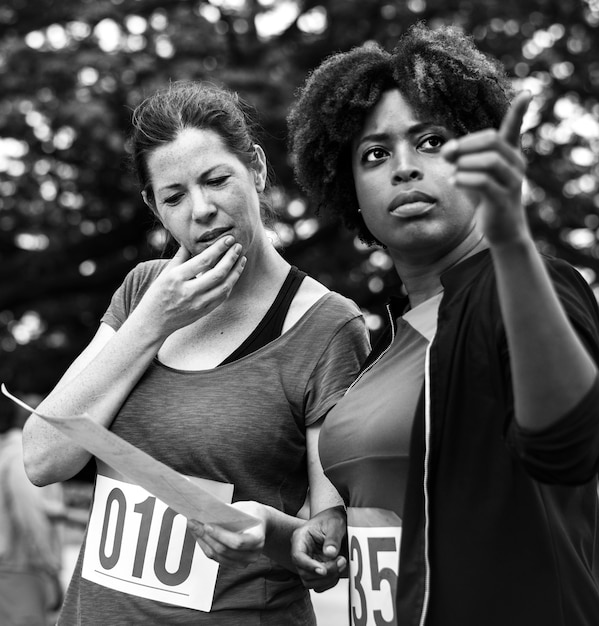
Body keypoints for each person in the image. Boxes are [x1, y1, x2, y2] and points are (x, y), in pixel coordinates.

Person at [287, 22, 599, 626]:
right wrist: (315, 526)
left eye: (433, 141)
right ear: (349, 189)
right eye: (375, 154)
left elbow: (571, 445)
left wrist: (512, 243)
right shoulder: (384, 342)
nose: (404, 167)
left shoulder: (523, 289)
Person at [22, 80, 370, 625]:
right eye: (174, 196)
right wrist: (152, 324)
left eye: (216, 180)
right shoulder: (143, 292)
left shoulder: (327, 326)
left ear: (255, 168)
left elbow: (327, 551)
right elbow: (44, 459)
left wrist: (268, 530)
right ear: (153, 206)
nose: (202, 210)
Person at [0, 393, 65, 626]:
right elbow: (29, 515)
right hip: (22, 567)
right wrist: (50, 567)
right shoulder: (22, 457)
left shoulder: (8, 451)